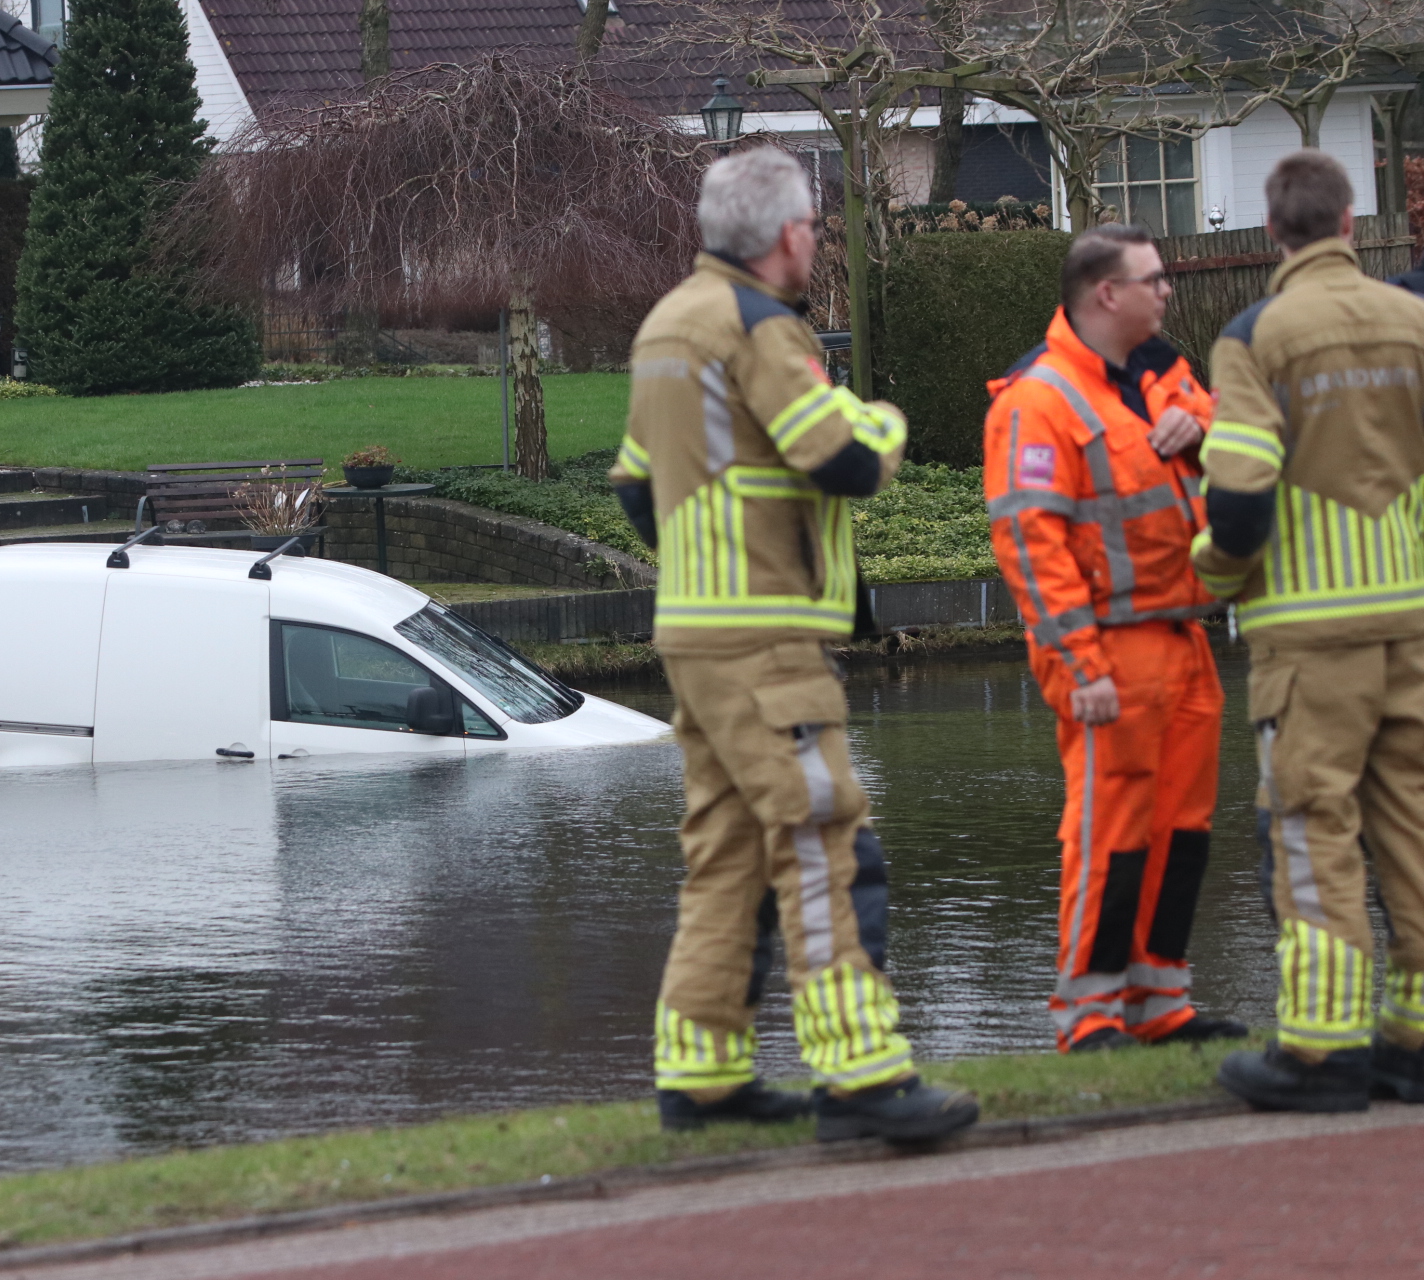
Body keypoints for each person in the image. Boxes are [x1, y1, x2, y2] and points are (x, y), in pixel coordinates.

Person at [610, 147, 978, 1143]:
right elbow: (845, 458)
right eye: (814, 225)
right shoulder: (763, 329)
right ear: (785, 236)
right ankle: (862, 1076)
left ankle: (704, 1071)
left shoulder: (665, 326)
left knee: (726, 851)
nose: (817, 238)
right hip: (765, 633)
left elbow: (637, 488)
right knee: (826, 840)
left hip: (692, 628)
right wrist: (890, 420)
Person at [1194, 150, 1424, 1112]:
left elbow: (1241, 501)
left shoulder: (1256, 337)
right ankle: (1412, 1041)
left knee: (1310, 825)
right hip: (1412, 618)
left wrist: (1212, 568)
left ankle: (1322, 1053)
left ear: (1273, 234)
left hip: (1309, 630)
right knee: (1413, 827)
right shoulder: (1415, 322)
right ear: (1352, 224)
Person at [984, 223, 1249, 1053]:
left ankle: (1158, 1001)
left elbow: (1229, 436)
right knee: (1109, 832)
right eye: (1153, 279)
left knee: (1182, 827)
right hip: (1108, 649)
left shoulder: (1164, 371)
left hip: (1181, 638)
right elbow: (1032, 545)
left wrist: (1204, 431)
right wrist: (1078, 662)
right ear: (1107, 293)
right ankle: (1089, 1014)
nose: (1167, 290)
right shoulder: (1038, 400)